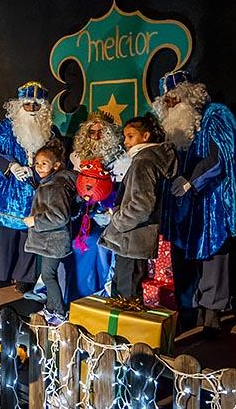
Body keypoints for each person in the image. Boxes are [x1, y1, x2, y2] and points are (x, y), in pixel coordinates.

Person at [153, 70, 236, 330]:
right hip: (182, 205)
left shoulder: (215, 115)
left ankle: (212, 311)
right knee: (184, 257)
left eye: (174, 98)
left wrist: (191, 181)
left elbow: (220, 158)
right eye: (166, 101)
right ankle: (189, 310)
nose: (171, 104)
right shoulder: (173, 127)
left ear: (188, 95)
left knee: (213, 253)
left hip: (210, 201)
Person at [0, 81, 56, 292]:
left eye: (36, 105)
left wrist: (37, 171)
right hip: (9, 192)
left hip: (36, 190)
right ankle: (0, 275)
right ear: (20, 106)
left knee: (28, 235)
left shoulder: (50, 131)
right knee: (5, 233)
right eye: (27, 104)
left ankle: (25, 277)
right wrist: (11, 166)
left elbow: (56, 158)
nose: (32, 109)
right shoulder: (6, 128)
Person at [99, 114, 177, 299]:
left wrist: (118, 220)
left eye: (130, 136)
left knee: (127, 293)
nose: (126, 142)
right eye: (125, 137)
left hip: (132, 238)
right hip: (133, 239)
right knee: (123, 290)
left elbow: (142, 204)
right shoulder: (146, 159)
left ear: (146, 136)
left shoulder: (144, 161)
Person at [68, 112, 125, 299]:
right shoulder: (77, 157)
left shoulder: (120, 159)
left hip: (108, 217)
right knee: (75, 243)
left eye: (101, 132)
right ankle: (74, 294)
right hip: (82, 214)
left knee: (97, 244)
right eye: (92, 132)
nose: (96, 136)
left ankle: (97, 293)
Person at [23, 139, 77, 325]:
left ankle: (59, 312)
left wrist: (35, 221)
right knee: (48, 275)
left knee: (48, 276)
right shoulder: (49, 182)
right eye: (37, 163)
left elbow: (60, 217)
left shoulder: (55, 186)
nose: (38, 167)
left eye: (44, 163)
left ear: (56, 165)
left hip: (53, 241)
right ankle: (52, 307)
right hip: (48, 240)